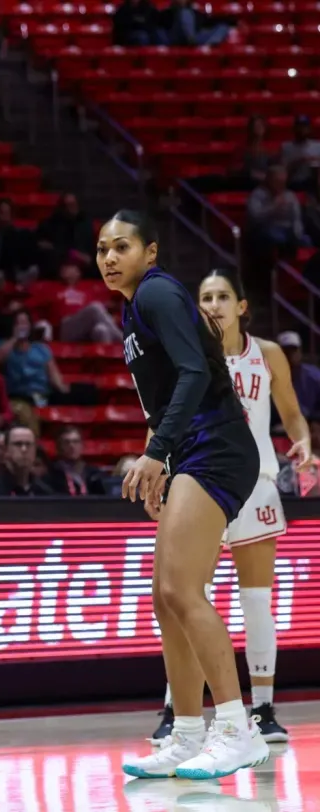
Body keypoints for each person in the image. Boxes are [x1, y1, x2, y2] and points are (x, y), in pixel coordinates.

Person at [102, 211, 270, 780]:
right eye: (101, 249)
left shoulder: (157, 293)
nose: (109, 258)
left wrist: (157, 453)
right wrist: (162, 463)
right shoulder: (134, 307)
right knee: (163, 597)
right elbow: (166, 394)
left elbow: (196, 373)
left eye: (121, 246)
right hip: (190, 452)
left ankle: (239, 730)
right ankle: (188, 734)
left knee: (182, 589)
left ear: (150, 252)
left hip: (217, 446)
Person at [143, 269, 311, 744]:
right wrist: (156, 467)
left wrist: (302, 443)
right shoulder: (185, 351)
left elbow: (292, 414)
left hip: (256, 484)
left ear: (241, 306)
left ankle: (263, 709)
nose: (213, 305)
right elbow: (162, 419)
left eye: (221, 296)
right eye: (205, 298)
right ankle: (178, 709)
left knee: (256, 601)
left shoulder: (268, 354)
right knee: (186, 596)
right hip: (200, 482)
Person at [0, 424, 53, 496]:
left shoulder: (45, 493)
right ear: (6, 450)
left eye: (28, 444)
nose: (24, 449)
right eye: (18, 444)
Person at [46, 425, 107, 495]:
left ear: (82, 445)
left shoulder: (94, 474)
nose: (71, 446)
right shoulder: (50, 474)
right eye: (66, 442)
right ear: (58, 446)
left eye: (76, 442)